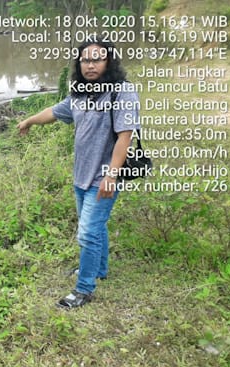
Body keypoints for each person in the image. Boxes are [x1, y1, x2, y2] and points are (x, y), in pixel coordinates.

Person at [17, 39, 140, 308]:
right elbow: (55, 111)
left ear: (109, 62)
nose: (90, 64)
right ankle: (99, 269)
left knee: (87, 233)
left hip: (104, 176)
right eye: (85, 60)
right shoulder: (81, 93)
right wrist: (29, 121)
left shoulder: (122, 92)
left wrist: (111, 175)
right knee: (96, 229)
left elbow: (125, 136)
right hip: (81, 176)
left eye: (97, 59)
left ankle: (84, 289)